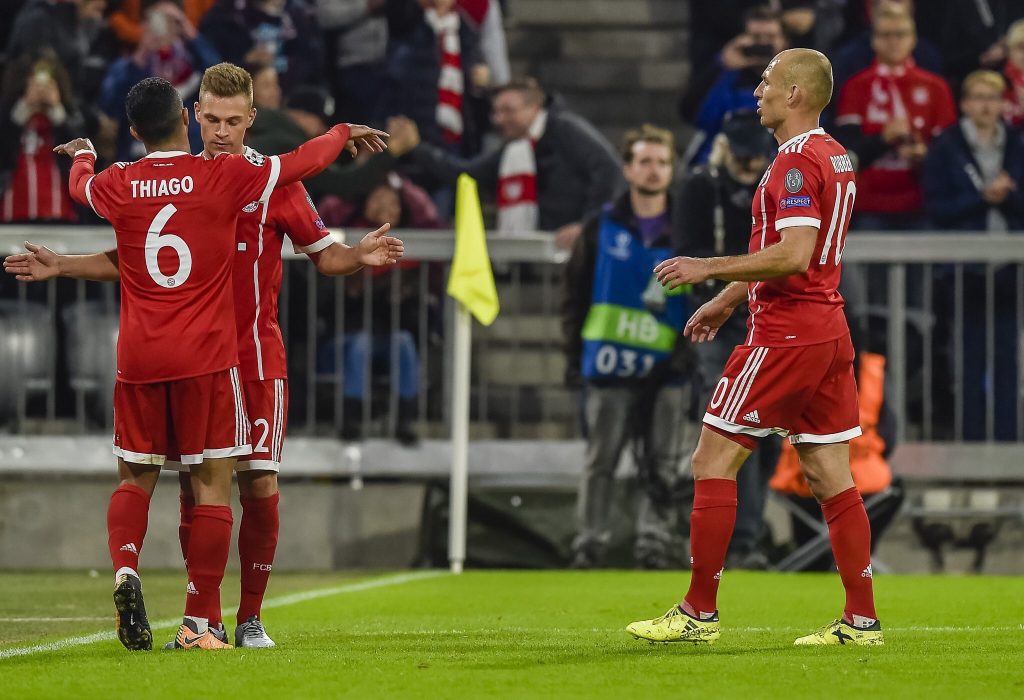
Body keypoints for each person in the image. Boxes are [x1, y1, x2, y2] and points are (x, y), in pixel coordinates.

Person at [6, 64, 401, 648]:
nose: (220, 131)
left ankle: (249, 618)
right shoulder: (221, 179)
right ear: (192, 116)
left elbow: (325, 255)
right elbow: (131, 257)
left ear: (251, 119)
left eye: (232, 121)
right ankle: (204, 618)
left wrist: (356, 255)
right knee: (199, 486)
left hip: (252, 356)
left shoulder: (267, 185)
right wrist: (341, 132)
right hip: (207, 359)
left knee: (258, 486)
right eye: (211, 119)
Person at [627, 48, 884, 647]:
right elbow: (805, 253)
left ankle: (697, 613)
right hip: (827, 327)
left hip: (787, 332)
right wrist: (727, 300)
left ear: (795, 94)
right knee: (828, 472)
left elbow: (794, 254)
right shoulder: (835, 155)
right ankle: (861, 620)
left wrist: (706, 269)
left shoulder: (794, 165)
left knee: (711, 461)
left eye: (767, 81)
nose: (757, 91)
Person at [562, 124, 693, 570]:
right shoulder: (600, 226)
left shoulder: (686, 230)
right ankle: (589, 542)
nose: (654, 170)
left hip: (668, 367)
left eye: (662, 162)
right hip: (607, 363)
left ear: (672, 169)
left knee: (663, 462)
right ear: (627, 168)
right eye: (645, 161)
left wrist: (689, 349)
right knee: (601, 459)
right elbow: (575, 295)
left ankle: (652, 544)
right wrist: (570, 357)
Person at [676, 109, 781, 570]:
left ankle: (747, 535)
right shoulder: (702, 188)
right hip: (723, 320)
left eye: (755, 157)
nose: (749, 165)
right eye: (741, 157)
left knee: (764, 434)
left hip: (767, 316)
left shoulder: (778, 183)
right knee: (734, 431)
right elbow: (688, 253)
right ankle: (734, 542)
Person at [392, 78, 621, 249]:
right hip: (548, 249)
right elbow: (467, 174)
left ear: (535, 108)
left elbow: (610, 171)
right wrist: (416, 147)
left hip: (582, 247)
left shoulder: (565, 128)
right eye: (497, 112)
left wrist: (587, 226)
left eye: (508, 111)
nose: (500, 119)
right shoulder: (514, 148)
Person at [922, 69, 1024, 440]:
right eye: (978, 97)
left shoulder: (1016, 144)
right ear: (965, 103)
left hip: (1009, 268)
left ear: (1002, 104)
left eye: (993, 98)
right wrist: (981, 197)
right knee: (967, 356)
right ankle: (971, 440)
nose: (986, 105)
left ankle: (1009, 443)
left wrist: (1008, 196)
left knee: (1008, 358)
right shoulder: (947, 146)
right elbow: (935, 206)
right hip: (962, 270)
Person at [318, 174, 440, 445]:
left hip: (390, 336)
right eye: (378, 199)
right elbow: (327, 300)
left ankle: (405, 421)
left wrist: (402, 296)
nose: (385, 206)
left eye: (392, 202)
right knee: (361, 345)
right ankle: (352, 419)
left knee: (405, 343)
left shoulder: (412, 253)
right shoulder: (344, 243)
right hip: (347, 336)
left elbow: (421, 313)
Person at [833, 3, 955, 230]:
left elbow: (949, 150)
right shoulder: (855, 87)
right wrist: (883, 138)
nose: (893, 41)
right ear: (873, 40)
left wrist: (925, 154)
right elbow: (846, 152)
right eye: (886, 35)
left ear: (913, 39)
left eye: (900, 34)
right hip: (869, 206)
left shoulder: (936, 87)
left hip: (922, 203)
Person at [97, 1, 221, 162]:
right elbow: (110, 106)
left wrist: (191, 35)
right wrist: (140, 56)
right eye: (155, 19)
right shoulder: (126, 66)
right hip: (138, 159)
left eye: (171, 21)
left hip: (191, 155)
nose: (162, 27)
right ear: (143, 24)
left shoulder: (194, 62)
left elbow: (221, 82)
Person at [684, 6, 788, 167]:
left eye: (770, 37)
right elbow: (699, 117)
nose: (763, 43)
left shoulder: (796, 78)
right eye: (756, 37)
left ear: (784, 41)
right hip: (724, 163)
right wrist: (722, 66)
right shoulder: (726, 75)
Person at [0, 51, 84, 222]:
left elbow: (83, 151)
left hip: (60, 210)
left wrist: (57, 110)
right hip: (13, 209)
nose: (41, 89)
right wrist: (24, 108)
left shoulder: (70, 113)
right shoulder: (7, 112)